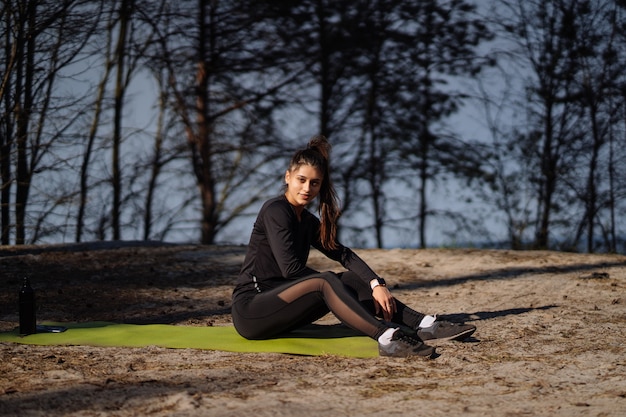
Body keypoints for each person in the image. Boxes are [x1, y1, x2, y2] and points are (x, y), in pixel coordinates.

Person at [231, 135, 475, 358]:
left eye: (314, 183)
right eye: (301, 180)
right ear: (288, 177)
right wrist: (333, 287)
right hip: (253, 310)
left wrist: (376, 283)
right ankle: (385, 336)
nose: (307, 189)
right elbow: (290, 270)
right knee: (327, 281)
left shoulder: (307, 221)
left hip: (283, 309)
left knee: (348, 279)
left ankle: (423, 325)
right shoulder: (276, 210)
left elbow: (343, 253)